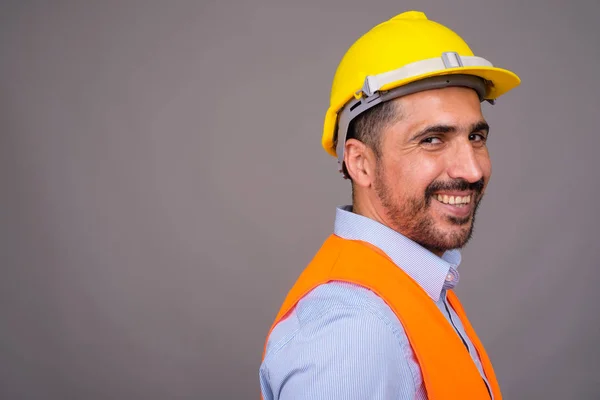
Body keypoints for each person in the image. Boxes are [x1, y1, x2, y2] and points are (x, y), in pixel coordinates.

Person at [259, 10, 520, 400]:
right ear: (360, 163)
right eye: (432, 139)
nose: (471, 169)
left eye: (476, 137)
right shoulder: (354, 333)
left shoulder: (415, 287)